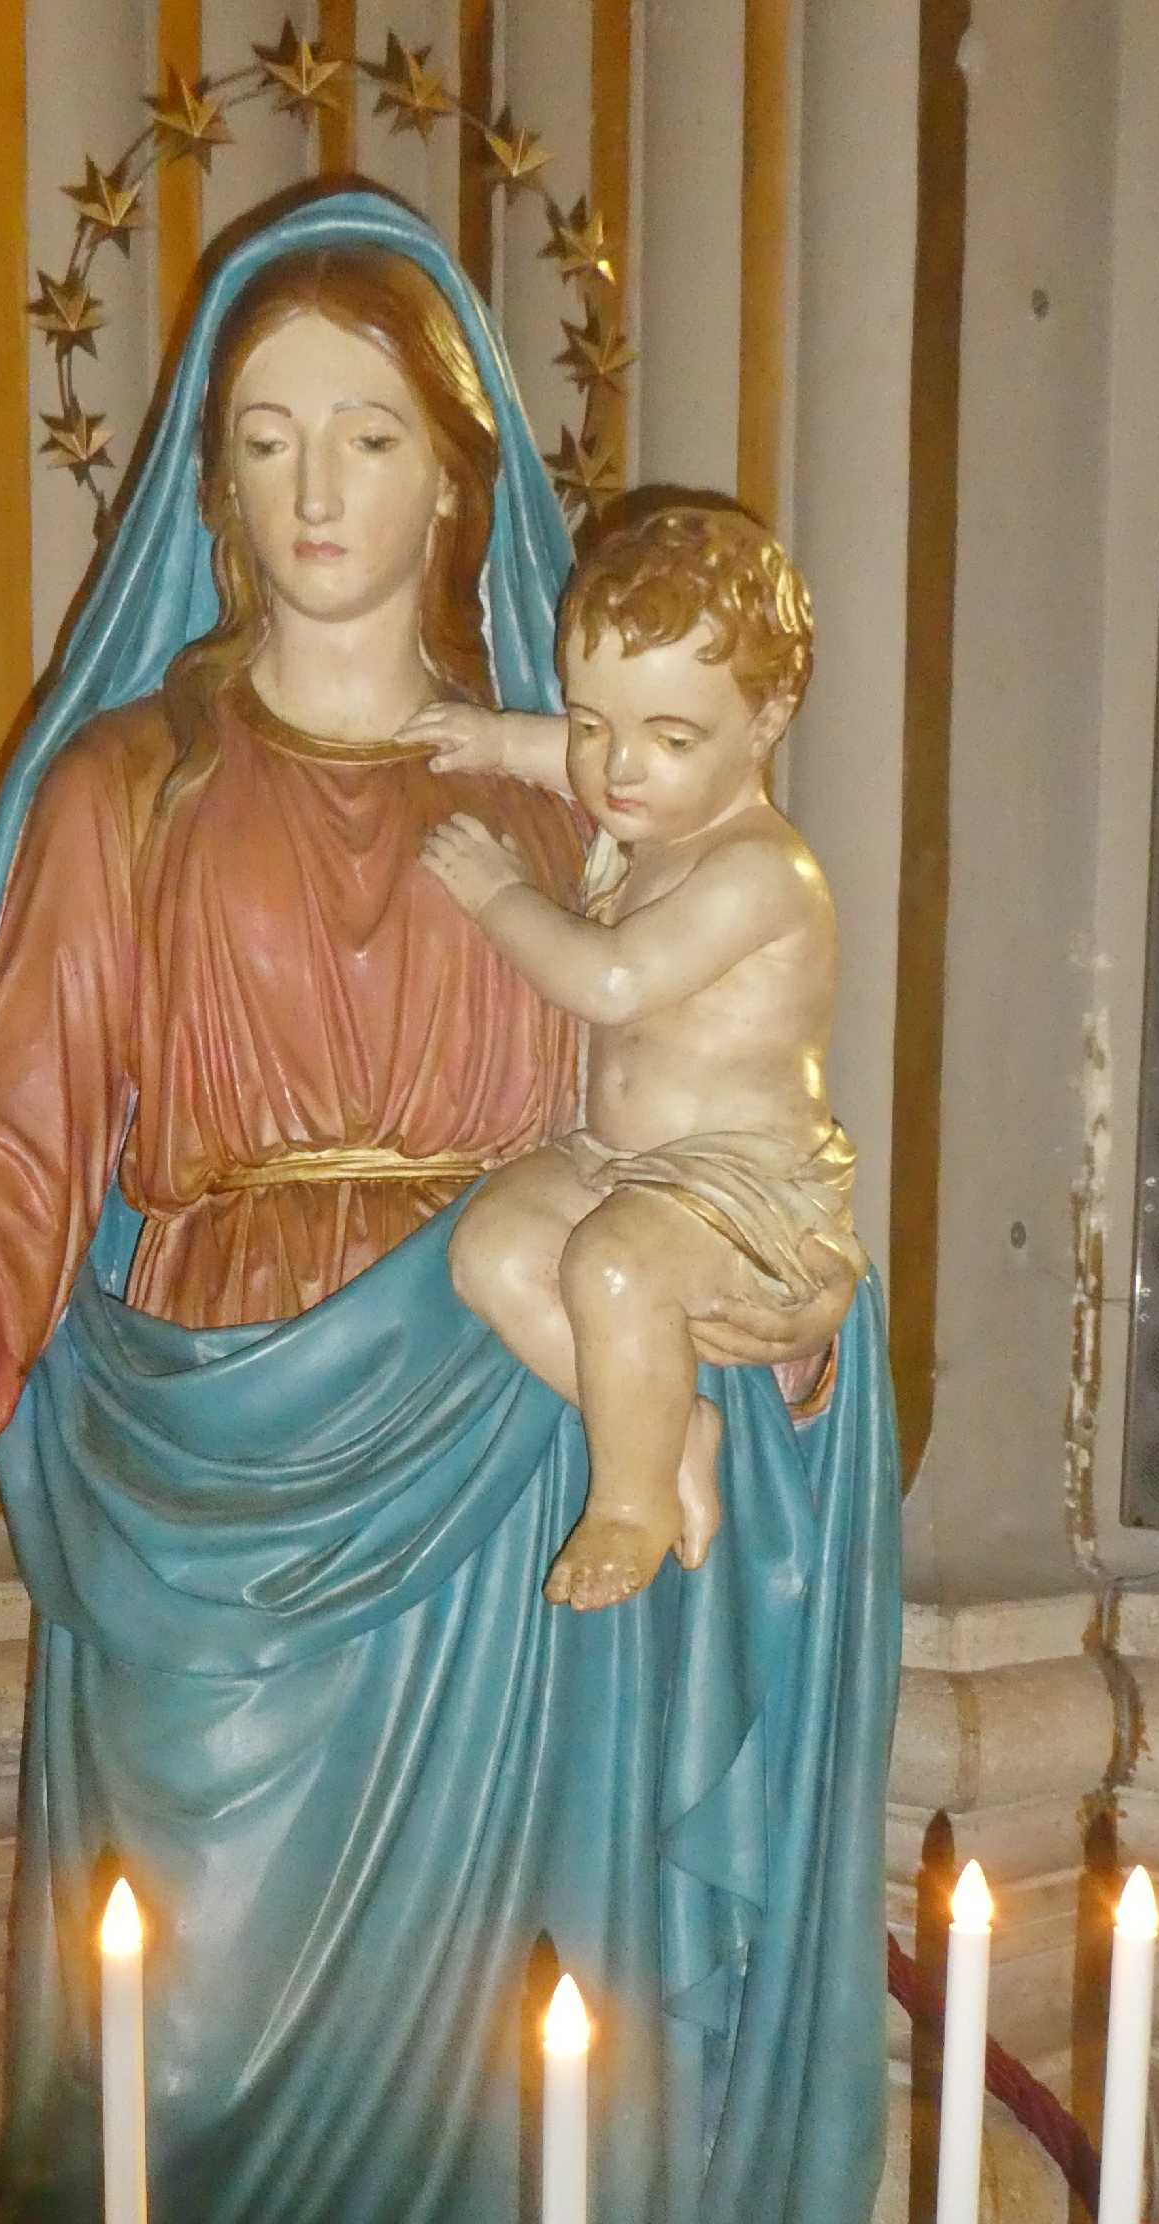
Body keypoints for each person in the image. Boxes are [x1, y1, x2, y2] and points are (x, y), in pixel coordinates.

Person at [0, 187, 901, 2224]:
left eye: (372, 437)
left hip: (498, 1508)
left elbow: (727, 1123)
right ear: (209, 477)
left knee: (492, 2108)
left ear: (455, 477)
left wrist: (781, 1339)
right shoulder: (126, 794)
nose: (319, 490)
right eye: (269, 436)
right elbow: (0, 1159)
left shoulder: (586, 818)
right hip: (201, 1529)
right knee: (177, 2097)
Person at [411, 504, 864, 1610]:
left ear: (766, 720)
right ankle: (673, 1428)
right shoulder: (652, 813)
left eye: (671, 738)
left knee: (613, 1267)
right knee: (493, 1248)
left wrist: (498, 894)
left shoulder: (759, 872)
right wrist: (499, 741)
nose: (619, 769)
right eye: (588, 722)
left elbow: (610, 980)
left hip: (742, 1188)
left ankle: (632, 1501)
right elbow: (583, 768)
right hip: (621, 1163)